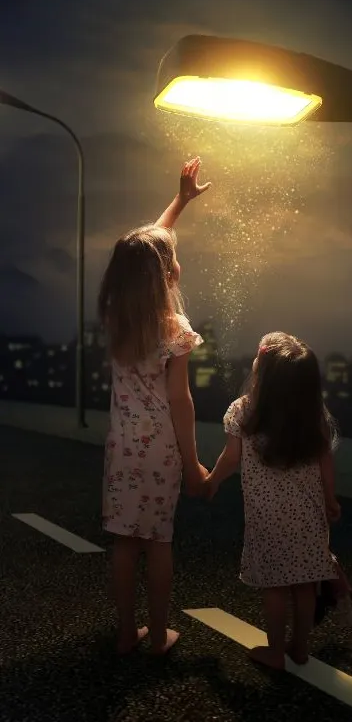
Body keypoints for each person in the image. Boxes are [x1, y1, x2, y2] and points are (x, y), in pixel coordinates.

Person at [99, 158, 211, 656]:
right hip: (161, 451)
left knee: (125, 542)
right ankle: (159, 633)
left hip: (122, 447)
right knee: (159, 542)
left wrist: (180, 204)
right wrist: (192, 464)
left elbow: (140, 253)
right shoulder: (174, 330)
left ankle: (126, 634)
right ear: (166, 274)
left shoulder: (115, 317)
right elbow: (180, 402)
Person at [205, 331, 341, 671]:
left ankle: (275, 652)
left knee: (275, 587)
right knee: (305, 583)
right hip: (309, 515)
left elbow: (230, 458)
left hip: (266, 518)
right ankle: (300, 648)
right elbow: (326, 461)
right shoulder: (314, 415)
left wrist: (211, 481)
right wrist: (330, 499)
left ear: (262, 373)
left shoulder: (243, 411)